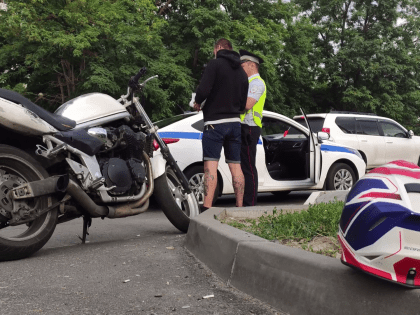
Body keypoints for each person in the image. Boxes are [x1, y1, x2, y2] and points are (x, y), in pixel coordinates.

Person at [193, 38, 249, 211]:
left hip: (215, 123)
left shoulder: (214, 64)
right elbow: (243, 102)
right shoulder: (241, 72)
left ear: (218, 48)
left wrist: (198, 101)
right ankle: (239, 206)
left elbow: (203, 89)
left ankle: (207, 208)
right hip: (234, 123)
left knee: (211, 166)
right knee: (236, 166)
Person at [239, 49, 266, 207]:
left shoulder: (257, 83)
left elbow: (247, 105)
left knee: (248, 166)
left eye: (242, 65)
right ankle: (245, 202)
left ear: (251, 65)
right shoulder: (248, 83)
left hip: (250, 128)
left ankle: (250, 203)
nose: (240, 68)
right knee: (244, 166)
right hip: (245, 127)